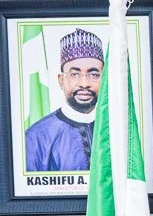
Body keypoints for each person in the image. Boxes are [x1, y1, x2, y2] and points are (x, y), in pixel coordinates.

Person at [24, 28, 102, 172]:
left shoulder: (118, 130)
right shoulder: (35, 137)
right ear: (61, 80)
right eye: (74, 74)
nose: (84, 83)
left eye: (93, 74)